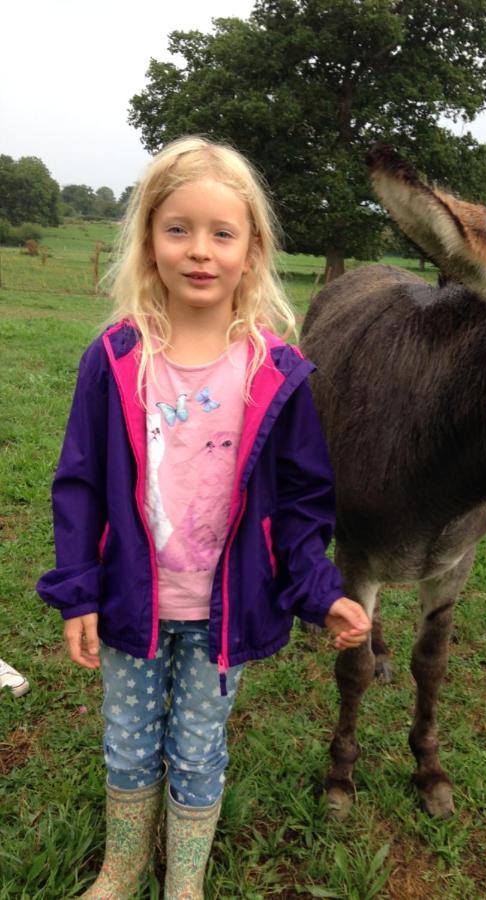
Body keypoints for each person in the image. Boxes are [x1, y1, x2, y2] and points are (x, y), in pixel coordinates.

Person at [36, 135, 371, 900]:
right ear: (149, 239)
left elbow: (300, 507)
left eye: (222, 233)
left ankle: (182, 880)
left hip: (227, 612)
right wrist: (78, 591)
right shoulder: (115, 358)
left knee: (196, 747)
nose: (199, 251)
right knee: (127, 743)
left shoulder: (276, 374)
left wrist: (321, 592)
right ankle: (121, 868)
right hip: (130, 604)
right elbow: (79, 483)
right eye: (177, 228)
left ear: (251, 252)